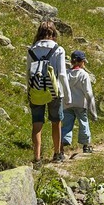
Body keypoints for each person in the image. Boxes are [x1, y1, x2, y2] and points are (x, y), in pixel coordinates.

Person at [25, 21, 68, 165]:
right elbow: (62, 74)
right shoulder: (58, 49)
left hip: (35, 89)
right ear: (53, 33)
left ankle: (37, 158)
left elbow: (28, 73)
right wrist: (67, 93)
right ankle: (57, 154)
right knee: (56, 122)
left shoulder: (31, 50)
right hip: (54, 90)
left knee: (37, 123)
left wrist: (29, 90)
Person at [60, 49, 97, 156]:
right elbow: (88, 92)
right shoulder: (84, 75)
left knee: (66, 124)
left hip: (67, 104)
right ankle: (86, 145)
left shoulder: (66, 74)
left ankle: (62, 144)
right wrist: (93, 111)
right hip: (81, 104)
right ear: (82, 62)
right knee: (83, 123)